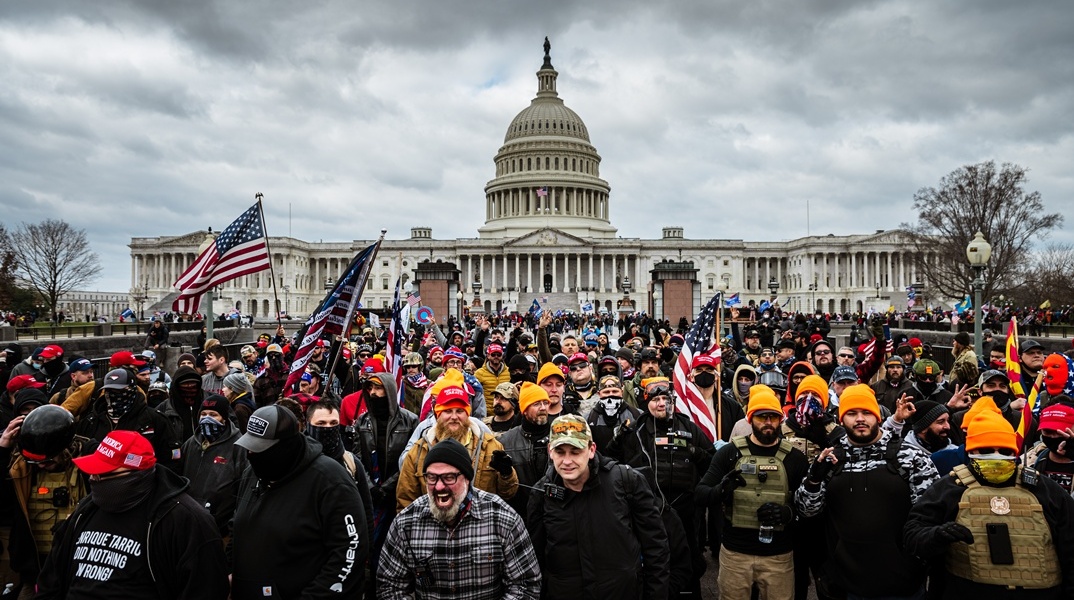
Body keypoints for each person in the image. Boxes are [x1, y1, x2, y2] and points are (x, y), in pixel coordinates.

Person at [36, 430, 229, 599]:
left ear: (135, 473)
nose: (93, 479)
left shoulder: (186, 521)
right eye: (92, 473)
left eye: (102, 473)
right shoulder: (86, 510)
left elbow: (206, 589)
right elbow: (52, 578)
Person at [903, 408, 1074, 599]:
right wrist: (937, 535)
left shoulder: (1045, 490)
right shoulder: (950, 488)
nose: (996, 456)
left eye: (1004, 451)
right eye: (986, 450)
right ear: (971, 451)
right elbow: (913, 535)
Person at [796, 384, 941, 599]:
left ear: (878, 417)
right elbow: (807, 510)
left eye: (867, 413)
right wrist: (814, 479)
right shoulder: (830, 459)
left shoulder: (910, 457)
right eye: (852, 413)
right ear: (841, 419)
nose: (860, 419)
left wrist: (917, 562)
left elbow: (931, 515)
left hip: (902, 583)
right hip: (847, 585)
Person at [231, 405, 369, 598]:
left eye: (260, 449)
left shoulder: (330, 480)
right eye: (250, 447)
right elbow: (239, 525)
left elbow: (349, 551)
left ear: (285, 446)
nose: (251, 455)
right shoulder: (253, 472)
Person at [378, 438, 542, 599]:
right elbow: (390, 587)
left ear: (467, 478)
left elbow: (525, 585)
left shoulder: (502, 518)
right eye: (432, 477)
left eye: (449, 477)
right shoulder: (406, 523)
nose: (439, 486)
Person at [527, 414, 669, 599]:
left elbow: (656, 548)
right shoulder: (541, 494)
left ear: (591, 449)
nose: (567, 461)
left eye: (576, 451)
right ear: (550, 451)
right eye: (560, 452)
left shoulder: (626, 482)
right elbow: (535, 560)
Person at [696, 385, 809, 600]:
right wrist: (722, 490)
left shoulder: (795, 458)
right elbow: (700, 494)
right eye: (761, 416)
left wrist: (788, 514)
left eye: (773, 417)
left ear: (781, 419)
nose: (768, 422)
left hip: (778, 556)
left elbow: (809, 507)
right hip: (736, 554)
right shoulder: (729, 453)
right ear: (750, 419)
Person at [607, 376, 714, 597]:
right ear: (647, 402)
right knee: (654, 557)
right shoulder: (635, 429)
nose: (661, 403)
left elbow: (713, 464)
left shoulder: (689, 427)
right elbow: (610, 463)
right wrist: (616, 442)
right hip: (649, 508)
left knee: (690, 562)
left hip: (686, 509)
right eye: (656, 399)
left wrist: (697, 453)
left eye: (666, 398)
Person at [1, 405, 91, 596]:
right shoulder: (19, 469)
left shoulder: (87, 459)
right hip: (34, 572)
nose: (41, 465)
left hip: (77, 570)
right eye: (36, 462)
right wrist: (2, 449)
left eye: (48, 461)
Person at [397, 385, 518, 511]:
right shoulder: (418, 451)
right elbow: (405, 500)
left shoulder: (490, 447)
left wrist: (507, 475)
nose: (454, 417)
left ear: (467, 414)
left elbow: (508, 494)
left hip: (480, 525)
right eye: (448, 411)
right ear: (438, 414)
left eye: (459, 411)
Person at [178, 394, 247, 536]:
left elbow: (243, 487)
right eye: (203, 414)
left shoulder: (238, 446)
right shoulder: (190, 444)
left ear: (224, 418)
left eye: (213, 414)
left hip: (219, 527)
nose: (206, 418)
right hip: (187, 519)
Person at [498, 382, 552, 515]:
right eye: (536, 404)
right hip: (520, 513)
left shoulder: (561, 435)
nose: (543, 408)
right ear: (524, 410)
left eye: (545, 403)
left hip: (554, 514)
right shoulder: (505, 442)